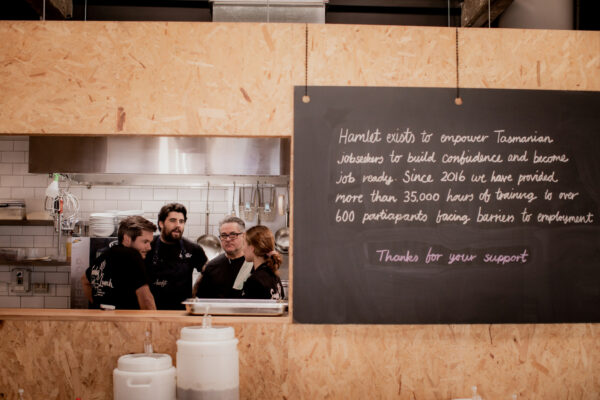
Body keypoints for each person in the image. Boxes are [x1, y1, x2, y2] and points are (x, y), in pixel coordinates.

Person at [82, 216, 157, 310]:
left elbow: (84, 280)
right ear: (127, 239)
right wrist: (154, 322)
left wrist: (97, 304)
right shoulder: (132, 255)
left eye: (150, 242)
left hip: (103, 322)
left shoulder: (104, 257)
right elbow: (146, 300)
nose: (149, 247)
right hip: (127, 323)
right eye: (145, 242)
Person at [146, 203, 208, 309]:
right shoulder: (147, 247)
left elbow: (207, 271)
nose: (178, 225)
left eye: (181, 221)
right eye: (173, 220)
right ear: (161, 223)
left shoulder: (193, 248)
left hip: (181, 312)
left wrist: (195, 290)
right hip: (153, 310)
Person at [194, 216, 252, 298]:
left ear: (244, 236)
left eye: (233, 234)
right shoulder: (212, 266)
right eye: (224, 235)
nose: (228, 239)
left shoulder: (254, 263)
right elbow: (202, 300)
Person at [241, 225, 285, 300]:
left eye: (244, 244)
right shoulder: (274, 275)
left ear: (252, 248)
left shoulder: (254, 280)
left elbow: (248, 311)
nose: (243, 248)